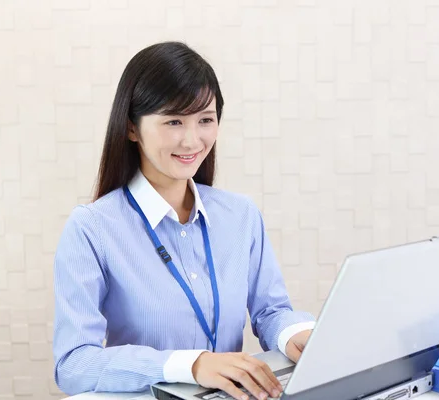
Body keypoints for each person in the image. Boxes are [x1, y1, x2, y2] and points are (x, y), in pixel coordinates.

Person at [52, 41, 316, 400]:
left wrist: (296, 334)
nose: (192, 139)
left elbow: (271, 311)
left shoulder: (240, 216)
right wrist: (189, 365)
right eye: (174, 121)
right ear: (132, 128)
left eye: (205, 120)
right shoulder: (92, 228)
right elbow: (73, 364)